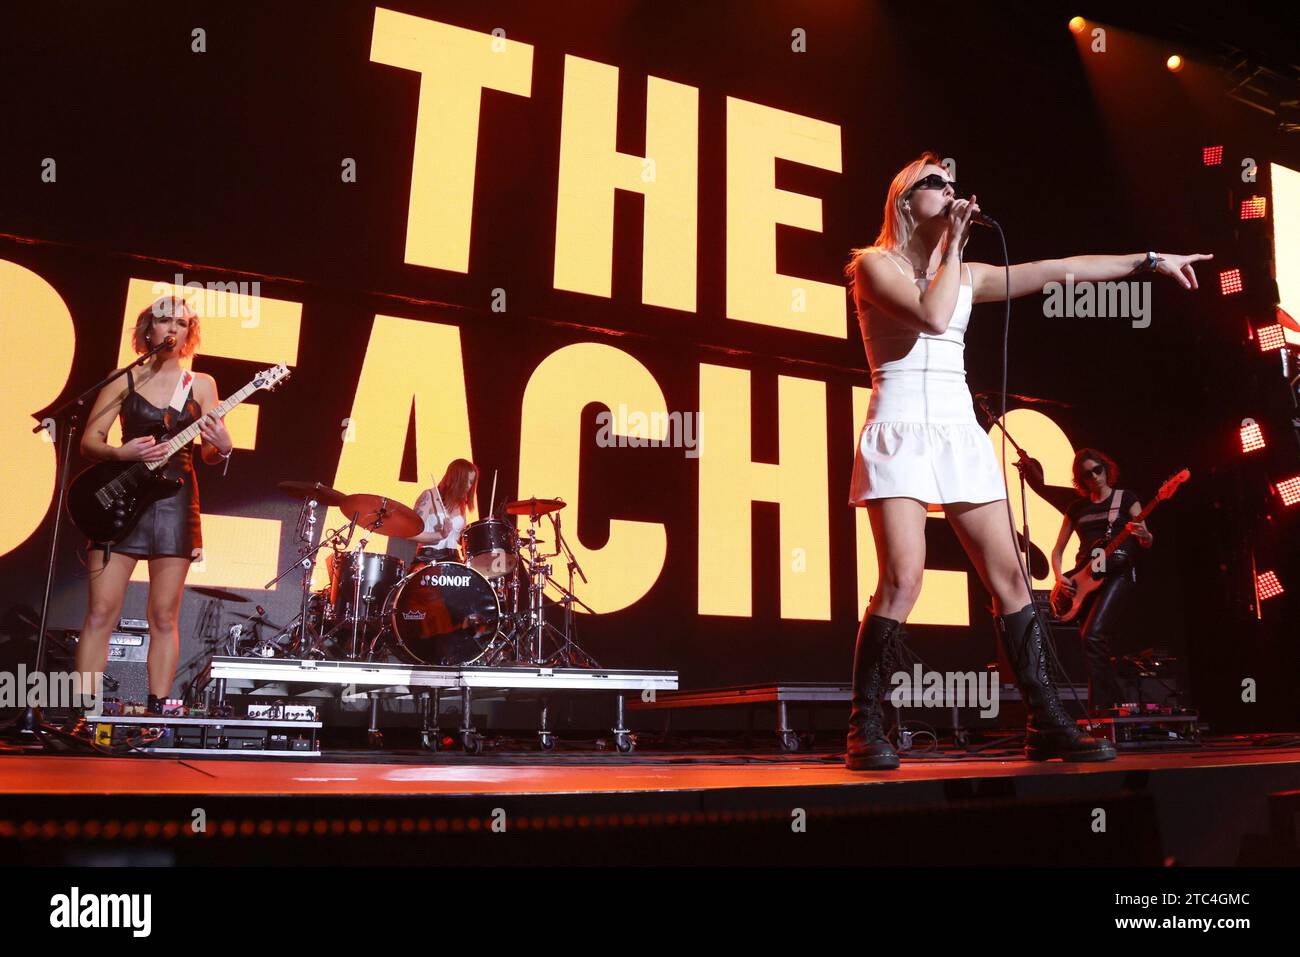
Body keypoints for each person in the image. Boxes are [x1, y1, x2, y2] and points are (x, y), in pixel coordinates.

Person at [843, 151, 1210, 769]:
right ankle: (865, 725)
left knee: (1012, 580)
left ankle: (1047, 720)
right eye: (935, 183)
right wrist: (954, 243)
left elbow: (1060, 269)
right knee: (903, 579)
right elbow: (931, 314)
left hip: (959, 429)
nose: (952, 190)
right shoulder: (874, 265)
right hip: (901, 427)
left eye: (955, 183)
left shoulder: (966, 272)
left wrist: (1148, 261)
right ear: (905, 201)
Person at [75, 296, 233, 713]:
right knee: (101, 611)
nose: (172, 329)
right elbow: (91, 440)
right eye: (164, 321)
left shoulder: (200, 384)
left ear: (188, 335)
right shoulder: (123, 379)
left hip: (175, 500)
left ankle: (157, 710)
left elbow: (211, 454)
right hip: (121, 496)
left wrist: (222, 446)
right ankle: (85, 711)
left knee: (163, 614)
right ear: (148, 330)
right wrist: (122, 453)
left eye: (181, 323)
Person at [1050, 449, 1153, 714]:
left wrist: (1143, 535)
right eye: (1087, 474)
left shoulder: (1125, 499)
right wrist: (1060, 577)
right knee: (1092, 643)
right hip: (1084, 577)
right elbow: (1058, 550)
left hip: (1117, 572)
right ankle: (1115, 707)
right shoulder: (1077, 508)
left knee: (1092, 635)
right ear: (1080, 480)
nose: (1094, 477)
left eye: (1098, 470)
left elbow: (1146, 541)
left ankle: (1100, 709)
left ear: (1106, 469)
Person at [411, 459, 480, 563]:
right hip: (428, 558)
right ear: (457, 479)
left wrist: (482, 529)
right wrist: (439, 535)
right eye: (468, 481)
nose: (469, 486)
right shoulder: (429, 496)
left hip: (453, 559)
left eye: (472, 482)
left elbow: (458, 539)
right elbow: (412, 533)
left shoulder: (461, 504)